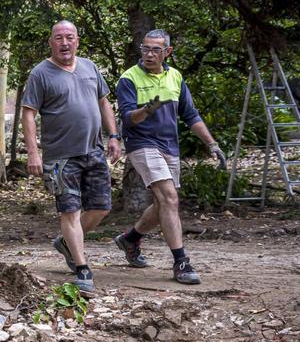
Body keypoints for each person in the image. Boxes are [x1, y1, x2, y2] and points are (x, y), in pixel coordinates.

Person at [113, 29, 225, 285]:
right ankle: (181, 262)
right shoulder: (128, 78)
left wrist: (211, 143)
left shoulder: (175, 77)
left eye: (155, 50)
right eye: (145, 48)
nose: (149, 54)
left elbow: (191, 115)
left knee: (165, 203)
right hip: (141, 143)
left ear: (168, 52)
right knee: (170, 197)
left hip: (169, 146)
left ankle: (130, 239)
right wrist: (147, 109)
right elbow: (128, 119)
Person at [22, 21, 123, 294]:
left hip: (94, 150)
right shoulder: (40, 74)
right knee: (70, 211)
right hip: (60, 158)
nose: (64, 43)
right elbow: (28, 112)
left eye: (69, 38)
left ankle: (67, 243)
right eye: (58, 38)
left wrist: (113, 136)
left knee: (101, 207)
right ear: (50, 42)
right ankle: (82, 268)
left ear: (77, 40)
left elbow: (104, 102)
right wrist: (34, 152)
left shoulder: (90, 67)